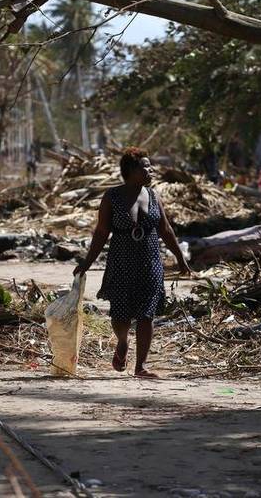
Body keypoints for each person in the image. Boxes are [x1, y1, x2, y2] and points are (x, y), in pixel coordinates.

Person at [73, 147, 192, 378]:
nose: (151, 170)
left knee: (147, 314)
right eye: (145, 167)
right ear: (130, 170)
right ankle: (122, 342)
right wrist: (86, 263)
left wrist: (180, 258)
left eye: (150, 166)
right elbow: (101, 233)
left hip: (150, 261)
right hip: (121, 260)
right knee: (120, 314)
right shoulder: (112, 197)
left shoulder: (154, 196)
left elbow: (165, 230)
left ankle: (141, 366)